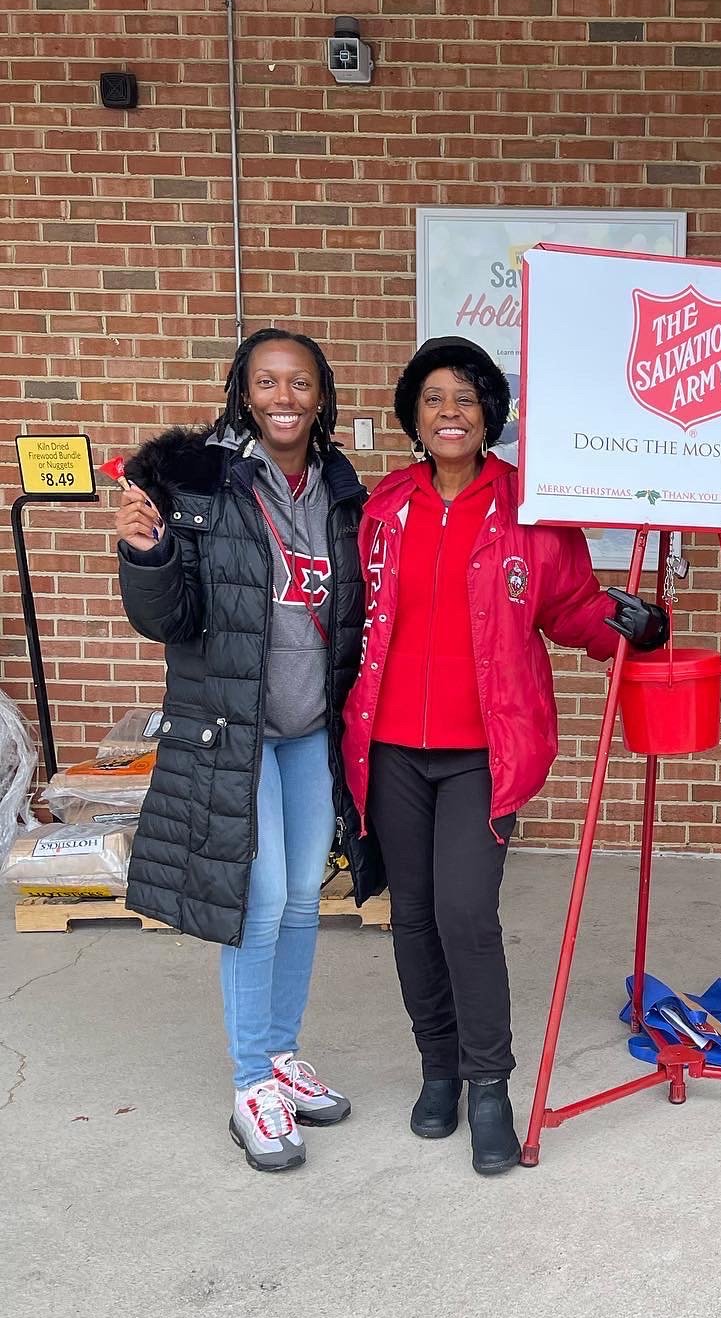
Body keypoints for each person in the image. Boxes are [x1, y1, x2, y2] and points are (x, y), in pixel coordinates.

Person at [342, 335, 669, 1176]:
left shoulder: (529, 510)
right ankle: (439, 1070)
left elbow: (572, 610)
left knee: (465, 915)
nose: (450, 413)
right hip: (389, 750)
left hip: (484, 750)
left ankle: (491, 1083)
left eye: (466, 398)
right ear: (413, 415)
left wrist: (630, 627)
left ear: (490, 412)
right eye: (434, 399)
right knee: (409, 916)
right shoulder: (386, 507)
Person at [116, 328, 382, 1173]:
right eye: (266, 381)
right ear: (243, 387)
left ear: (321, 396)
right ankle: (248, 1085)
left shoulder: (342, 492)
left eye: (299, 383)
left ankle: (279, 1053)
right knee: (258, 896)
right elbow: (168, 619)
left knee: (305, 892)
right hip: (234, 727)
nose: (283, 397)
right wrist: (146, 552)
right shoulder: (198, 481)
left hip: (311, 729)